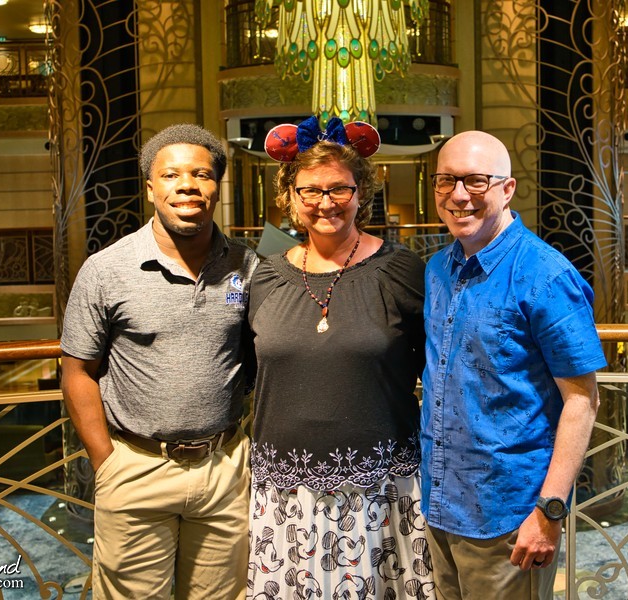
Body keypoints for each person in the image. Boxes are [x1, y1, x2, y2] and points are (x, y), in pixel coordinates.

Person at [60, 123, 258, 600]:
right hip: (135, 467)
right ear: (151, 188)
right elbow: (77, 371)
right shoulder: (106, 269)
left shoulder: (247, 265)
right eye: (171, 175)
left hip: (225, 468)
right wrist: (106, 462)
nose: (187, 184)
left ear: (216, 187)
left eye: (202, 174)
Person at [247, 116, 435, 599]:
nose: (324, 202)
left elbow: (440, 362)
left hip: (381, 485)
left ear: (360, 193)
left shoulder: (401, 270)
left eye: (339, 189)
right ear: (289, 197)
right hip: (285, 488)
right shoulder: (264, 277)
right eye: (310, 191)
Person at [421, 131, 607, 600]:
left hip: (509, 518)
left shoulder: (546, 275)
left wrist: (549, 512)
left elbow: (583, 401)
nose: (459, 195)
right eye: (447, 181)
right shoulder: (438, 268)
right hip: (441, 505)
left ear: (507, 189)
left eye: (476, 181)